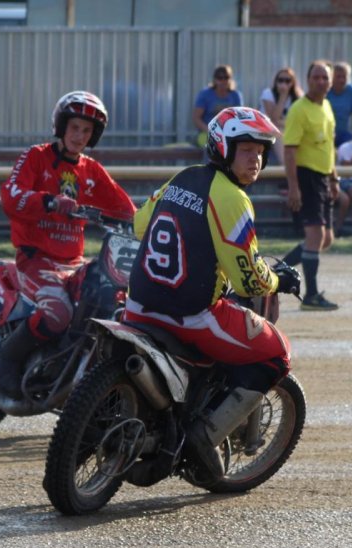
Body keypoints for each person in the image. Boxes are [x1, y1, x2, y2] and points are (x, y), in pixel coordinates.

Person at [124, 107, 297, 485]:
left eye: (261, 151)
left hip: (136, 307)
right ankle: (203, 438)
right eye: (246, 149)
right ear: (223, 147)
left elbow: (139, 225)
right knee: (277, 352)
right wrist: (279, 282)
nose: (256, 159)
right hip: (190, 317)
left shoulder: (183, 176)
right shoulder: (232, 197)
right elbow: (248, 281)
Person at [0, 91, 136, 398]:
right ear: (61, 126)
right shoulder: (36, 156)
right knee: (57, 312)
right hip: (36, 258)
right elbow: (11, 194)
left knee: (107, 304)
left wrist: (149, 223)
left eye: (86, 130)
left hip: (72, 262)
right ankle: (6, 359)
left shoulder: (91, 170)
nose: (79, 136)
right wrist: (48, 201)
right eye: (74, 128)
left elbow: (125, 208)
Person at [281, 60, 340, 310]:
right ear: (307, 80)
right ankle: (311, 296)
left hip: (324, 177)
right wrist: (294, 187)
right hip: (307, 176)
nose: (320, 81)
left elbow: (329, 145)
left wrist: (334, 178)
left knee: (325, 239)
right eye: (316, 77)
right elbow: (289, 151)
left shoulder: (326, 106)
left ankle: (276, 271)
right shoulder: (299, 109)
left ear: (331, 82)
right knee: (315, 236)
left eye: (325, 77)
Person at [192, 65, 244, 147]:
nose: (223, 81)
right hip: (206, 133)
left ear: (230, 79)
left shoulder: (236, 95)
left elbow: (240, 118)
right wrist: (210, 131)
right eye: (220, 78)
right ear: (215, 80)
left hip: (230, 134)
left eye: (226, 77)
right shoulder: (205, 94)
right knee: (209, 147)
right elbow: (196, 118)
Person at [259, 67, 300, 165]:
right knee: (278, 134)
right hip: (267, 129)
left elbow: (298, 121)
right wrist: (283, 95)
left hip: (287, 128)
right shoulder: (268, 93)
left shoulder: (297, 96)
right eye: (280, 80)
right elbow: (273, 119)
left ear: (293, 82)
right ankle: (285, 165)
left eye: (287, 81)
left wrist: (283, 123)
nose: (283, 83)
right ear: (276, 81)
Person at [327, 61, 352, 147]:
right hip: (326, 133)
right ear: (332, 77)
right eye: (338, 77)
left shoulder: (351, 92)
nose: (341, 80)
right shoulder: (326, 91)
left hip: (343, 134)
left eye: (344, 77)